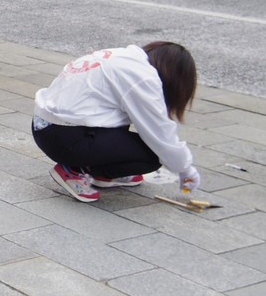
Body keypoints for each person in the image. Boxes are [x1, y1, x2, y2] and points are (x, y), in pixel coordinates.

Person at [31, 41, 200, 203]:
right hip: (66, 138)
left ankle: (103, 174)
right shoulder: (142, 77)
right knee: (153, 156)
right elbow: (159, 131)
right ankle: (77, 169)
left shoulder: (121, 57)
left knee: (125, 127)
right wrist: (185, 169)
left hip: (44, 127)